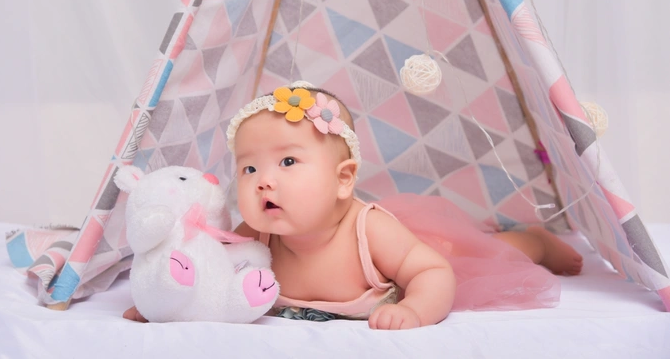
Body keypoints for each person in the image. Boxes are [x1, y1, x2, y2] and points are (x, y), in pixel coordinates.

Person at [226, 82, 582, 330]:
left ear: (343, 179)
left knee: (482, 256)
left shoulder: (369, 230)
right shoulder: (256, 234)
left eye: (288, 162)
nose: (263, 181)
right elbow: (215, 263)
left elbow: (433, 273)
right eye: (249, 168)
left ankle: (537, 242)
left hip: (422, 258)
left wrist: (415, 309)